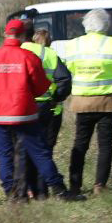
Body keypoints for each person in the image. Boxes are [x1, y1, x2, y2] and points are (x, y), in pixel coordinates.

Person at [0, 20, 79, 202]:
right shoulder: (28, 57)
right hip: (24, 112)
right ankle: (58, 189)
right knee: (40, 152)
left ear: (5, 34)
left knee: (4, 155)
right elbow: (41, 86)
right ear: (22, 36)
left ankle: (12, 194)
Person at [65, 8, 112, 196]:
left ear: (85, 25)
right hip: (107, 102)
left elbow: (67, 69)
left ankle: (74, 185)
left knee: (80, 143)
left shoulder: (74, 45)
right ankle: (99, 185)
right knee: (105, 144)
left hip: (82, 102)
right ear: (106, 25)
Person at [20, 27, 71, 197]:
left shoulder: (19, 51)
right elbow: (64, 79)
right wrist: (57, 97)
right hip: (49, 108)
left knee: (25, 149)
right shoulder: (50, 55)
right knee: (44, 150)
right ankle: (42, 191)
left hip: (23, 107)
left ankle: (29, 188)